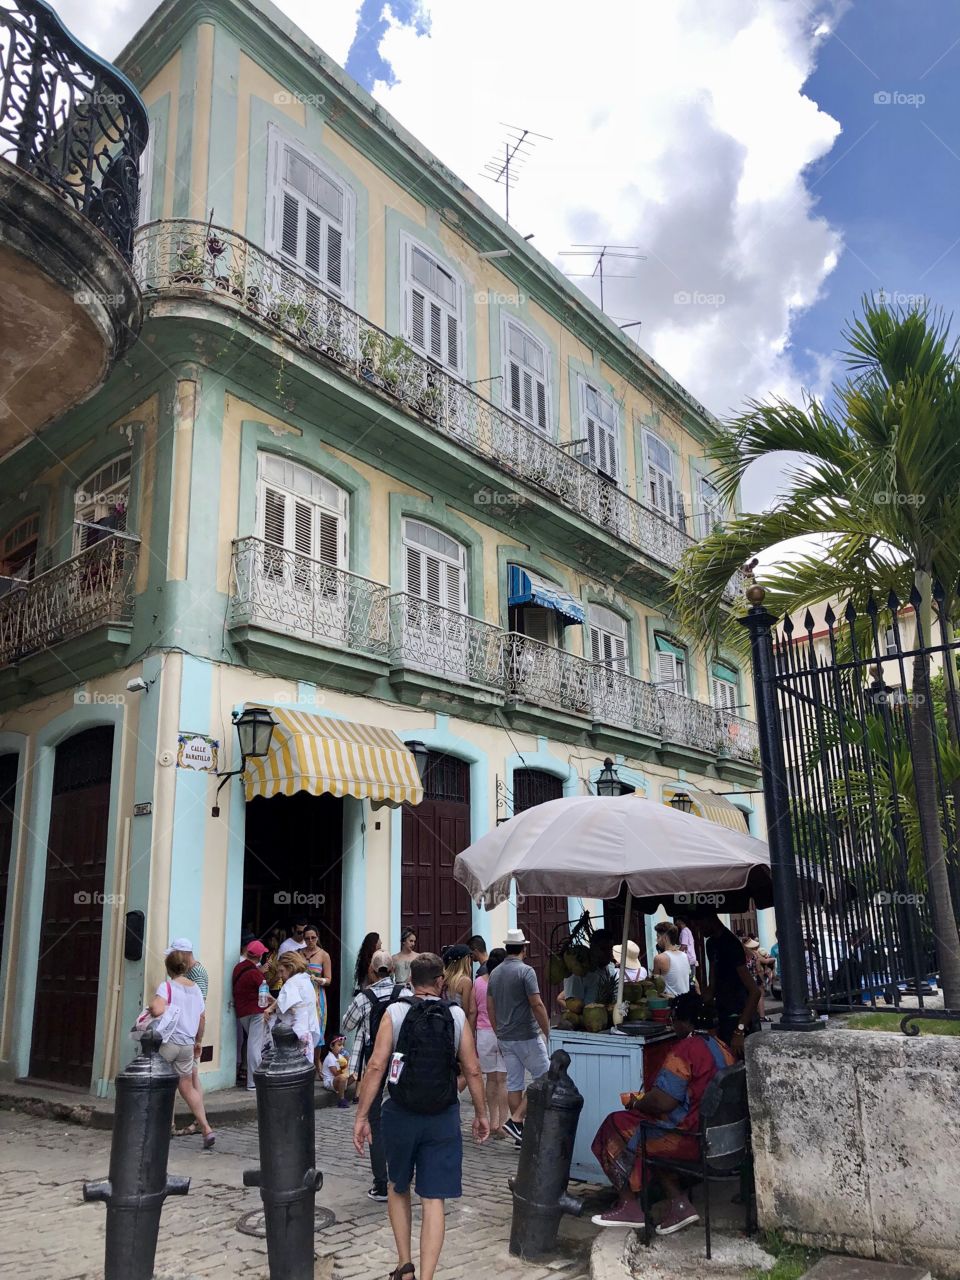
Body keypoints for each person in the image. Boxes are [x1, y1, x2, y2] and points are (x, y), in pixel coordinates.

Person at [353, 953, 489, 1280]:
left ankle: (405, 1265)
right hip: (442, 1116)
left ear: (409, 981)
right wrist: (482, 1113)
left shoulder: (395, 1012)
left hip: (399, 1113)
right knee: (433, 1199)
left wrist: (361, 1116)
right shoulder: (456, 1016)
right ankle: (427, 1277)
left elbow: (376, 1067)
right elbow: (472, 1069)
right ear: (441, 981)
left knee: (397, 1186)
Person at [590, 992, 735, 1232]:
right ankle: (679, 1204)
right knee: (647, 1129)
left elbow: (662, 1102)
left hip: (690, 1139)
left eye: (673, 1019)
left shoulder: (686, 1050)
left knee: (614, 1124)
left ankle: (630, 1204)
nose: (672, 1024)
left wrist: (636, 1103)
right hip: (719, 1137)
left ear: (683, 1021)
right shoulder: (722, 1047)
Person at [341, 949, 410, 1202]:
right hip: (400, 1057)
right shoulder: (404, 993)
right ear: (392, 970)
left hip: (373, 1058)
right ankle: (402, 1175)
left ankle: (381, 1182)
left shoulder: (364, 998)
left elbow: (346, 1025)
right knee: (404, 1111)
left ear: (372, 970)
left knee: (374, 1118)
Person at [486, 928, 551, 1145]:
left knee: (515, 1084)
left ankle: (520, 1132)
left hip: (505, 1036)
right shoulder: (526, 971)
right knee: (546, 1075)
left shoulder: (495, 973)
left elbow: (490, 1005)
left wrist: (498, 1031)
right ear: (524, 948)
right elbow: (536, 1003)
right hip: (526, 1034)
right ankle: (517, 1120)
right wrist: (548, 1030)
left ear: (507, 948)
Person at [149, 949, 215, 1148]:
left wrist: (154, 1005)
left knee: (160, 1083)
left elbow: (157, 1009)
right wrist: (198, 1041)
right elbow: (202, 1018)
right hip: (187, 1043)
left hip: (169, 1042)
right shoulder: (195, 989)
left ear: (169, 969)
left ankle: (163, 1125)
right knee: (186, 1086)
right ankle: (206, 1127)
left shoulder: (166, 986)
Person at [694, 909, 761, 1054]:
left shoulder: (732, 945)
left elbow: (755, 992)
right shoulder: (711, 944)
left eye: (700, 925)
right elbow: (711, 985)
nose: (699, 930)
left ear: (709, 919)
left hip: (741, 1019)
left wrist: (740, 1030)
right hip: (723, 1018)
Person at [467, 946, 509, 1137]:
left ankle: (492, 1121)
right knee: (503, 1080)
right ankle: (503, 1122)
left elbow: (473, 1011)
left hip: (484, 1033)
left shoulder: (477, 983)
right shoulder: (507, 982)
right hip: (503, 1031)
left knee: (490, 1079)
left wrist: (471, 1035)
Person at [262, 950, 320, 1061]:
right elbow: (292, 1002)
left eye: (281, 971)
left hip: (296, 1035)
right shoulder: (304, 979)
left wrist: (270, 1008)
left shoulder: (292, 982)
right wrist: (274, 1002)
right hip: (307, 1030)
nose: (280, 976)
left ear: (290, 967)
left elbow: (286, 1000)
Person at [232, 938, 270, 1089]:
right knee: (255, 1045)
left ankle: (253, 1078)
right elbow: (264, 994)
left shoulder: (237, 968)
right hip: (256, 1011)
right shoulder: (256, 973)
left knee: (251, 1043)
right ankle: (253, 1082)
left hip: (241, 1012)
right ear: (260, 956)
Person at [557, 927, 617, 1011]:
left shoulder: (609, 968)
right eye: (603, 949)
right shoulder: (577, 975)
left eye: (610, 948)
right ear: (592, 948)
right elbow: (574, 1007)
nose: (609, 953)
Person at [301, 923, 333, 1067]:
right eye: (307, 938)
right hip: (302, 994)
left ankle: (316, 1061)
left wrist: (319, 980)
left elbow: (329, 979)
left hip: (317, 994)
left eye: (313, 938)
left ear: (317, 938)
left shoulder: (323, 955)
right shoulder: (298, 953)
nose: (310, 941)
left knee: (318, 1028)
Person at [653, 925, 691, 997]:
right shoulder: (685, 956)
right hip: (685, 1001)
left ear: (665, 938)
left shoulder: (660, 958)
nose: (657, 940)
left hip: (670, 1003)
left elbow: (656, 985)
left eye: (658, 937)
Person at [321, 1033, 350, 1106]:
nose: (342, 1047)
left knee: (356, 1075)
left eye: (343, 1045)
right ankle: (341, 1099)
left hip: (338, 1080)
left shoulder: (340, 1056)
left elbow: (345, 1070)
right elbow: (336, 1074)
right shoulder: (330, 1058)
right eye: (339, 1045)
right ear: (331, 1046)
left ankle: (343, 1088)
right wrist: (344, 1068)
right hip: (329, 1082)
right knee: (343, 1077)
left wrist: (346, 1063)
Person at [442, 945, 473, 1009]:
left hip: (444, 1015)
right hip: (458, 1016)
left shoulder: (443, 978)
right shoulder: (465, 981)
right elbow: (466, 1008)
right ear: (466, 959)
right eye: (470, 957)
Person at [673, 912, 699, 983]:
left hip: (688, 959)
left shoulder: (684, 931)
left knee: (691, 980)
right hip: (691, 958)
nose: (676, 922)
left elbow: (684, 945)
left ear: (680, 921)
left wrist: (676, 955)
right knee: (692, 979)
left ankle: (694, 992)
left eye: (677, 920)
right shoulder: (687, 930)